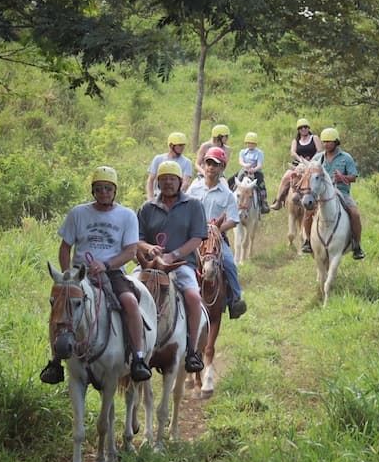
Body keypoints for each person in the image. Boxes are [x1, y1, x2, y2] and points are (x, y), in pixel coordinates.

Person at [40, 166, 153, 384]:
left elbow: (130, 252)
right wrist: (67, 275)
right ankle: (55, 362)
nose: (103, 193)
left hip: (113, 273)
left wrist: (106, 264)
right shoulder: (78, 213)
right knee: (59, 306)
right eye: (99, 189)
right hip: (79, 275)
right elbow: (65, 247)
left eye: (108, 189)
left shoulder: (127, 215)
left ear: (115, 191)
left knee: (130, 301)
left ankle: (138, 358)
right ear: (93, 191)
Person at [136, 160, 207, 373]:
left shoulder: (193, 205)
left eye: (172, 179)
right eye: (164, 179)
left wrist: (173, 255)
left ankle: (192, 351)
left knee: (193, 297)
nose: (168, 183)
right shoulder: (147, 208)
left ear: (179, 182)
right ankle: (133, 348)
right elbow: (137, 239)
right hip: (150, 265)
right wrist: (150, 249)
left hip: (181, 264)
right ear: (158, 182)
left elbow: (197, 238)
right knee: (130, 292)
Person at [188, 147, 248, 319]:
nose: (211, 168)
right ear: (204, 165)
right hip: (194, 238)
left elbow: (233, 219)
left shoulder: (227, 194)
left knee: (229, 264)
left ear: (222, 167)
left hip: (217, 240)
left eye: (215, 165)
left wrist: (216, 229)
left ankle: (235, 300)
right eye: (208, 163)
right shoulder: (194, 190)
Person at [312, 127, 365, 260]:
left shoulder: (346, 158)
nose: (326, 144)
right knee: (307, 212)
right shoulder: (318, 158)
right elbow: (310, 172)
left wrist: (342, 177)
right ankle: (308, 242)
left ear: (336, 142)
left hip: (342, 192)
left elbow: (354, 176)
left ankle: (356, 245)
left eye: (329, 141)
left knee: (355, 214)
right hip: (321, 194)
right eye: (324, 142)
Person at [270, 118, 323, 211]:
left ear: (308, 128)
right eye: (301, 127)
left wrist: (311, 161)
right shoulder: (296, 140)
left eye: (305, 127)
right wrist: (301, 160)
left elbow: (319, 150)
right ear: (298, 130)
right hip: (299, 164)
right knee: (287, 175)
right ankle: (278, 200)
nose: (303, 129)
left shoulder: (314, 138)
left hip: (313, 164)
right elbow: (293, 152)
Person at [146, 132, 194, 201]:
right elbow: (150, 180)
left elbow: (185, 183)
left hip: (177, 199)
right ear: (171, 145)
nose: (183, 147)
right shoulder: (158, 159)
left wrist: (173, 197)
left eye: (183, 145)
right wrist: (150, 198)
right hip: (158, 197)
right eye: (180, 145)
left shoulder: (186, 162)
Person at [232, 131, 270, 213]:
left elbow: (259, 164)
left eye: (252, 143)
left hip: (255, 171)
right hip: (245, 170)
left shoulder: (259, 153)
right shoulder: (242, 152)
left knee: (261, 184)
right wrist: (245, 165)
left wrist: (254, 169)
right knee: (236, 181)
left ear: (255, 144)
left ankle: (264, 202)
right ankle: (233, 198)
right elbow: (240, 161)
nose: (250, 145)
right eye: (248, 143)